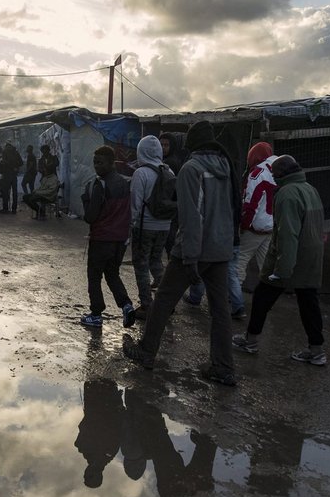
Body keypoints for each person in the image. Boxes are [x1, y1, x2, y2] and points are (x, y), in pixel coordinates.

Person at [122, 121, 236, 386]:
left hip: (194, 249)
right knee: (220, 310)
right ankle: (223, 367)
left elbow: (191, 217)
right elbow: (231, 209)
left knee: (162, 300)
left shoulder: (190, 169)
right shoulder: (226, 168)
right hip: (221, 248)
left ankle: (147, 352)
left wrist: (191, 255)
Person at [232, 155, 327, 366]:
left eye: (275, 175)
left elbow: (288, 235)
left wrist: (282, 269)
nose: (273, 178)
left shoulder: (287, 194)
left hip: (290, 258)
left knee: (262, 297)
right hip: (311, 256)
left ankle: (251, 340)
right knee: (309, 303)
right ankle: (317, 350)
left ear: (282, 174)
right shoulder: (310, 189)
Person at [79, 146, 136, 329]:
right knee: (112, 275)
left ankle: (96, 314)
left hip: (102, 238)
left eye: (100, 162)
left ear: (111, 163)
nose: (97, 166)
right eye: (95, 162)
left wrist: (85, 200)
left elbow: (90, 216)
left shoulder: (99, 185)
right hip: (120, 240)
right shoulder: (124, 183)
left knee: (94, 276)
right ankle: (126, 305)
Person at [129, 135, 175, 320]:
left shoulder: (141, 173)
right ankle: (167, 303)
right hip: (165, 225)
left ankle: (147, 305)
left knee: (141, 265)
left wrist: (129, 227)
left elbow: (135, 204)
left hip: (145, 226)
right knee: (156, 262)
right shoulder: (169, 171)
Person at [236, 141, 279, 288]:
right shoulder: (280, 171)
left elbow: (251, 204)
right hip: (271, 227)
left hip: (254, 228)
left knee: (239, 261)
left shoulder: (257, 174)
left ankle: (234, 299)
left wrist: (243, 225)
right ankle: (266, 300)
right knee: (266, 267)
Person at [0, 141, 23, 213]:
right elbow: (21, 163)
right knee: (14, 192)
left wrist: (7, 167)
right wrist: (15, 167)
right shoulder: (16, 152)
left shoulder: (5, 151)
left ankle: (5, 208)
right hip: (14, 175)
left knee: (5, 191)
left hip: (6, 174)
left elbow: (4, 162)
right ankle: (14, 209)